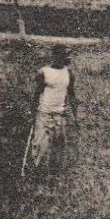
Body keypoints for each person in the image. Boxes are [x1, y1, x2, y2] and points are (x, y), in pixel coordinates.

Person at [24, 44, 75, 173]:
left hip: (59, 114)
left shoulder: (68, 73)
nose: (60, 58)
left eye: (63, 55)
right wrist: (32, 113)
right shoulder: (44, 72)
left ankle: (54, 173)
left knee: (58, 145)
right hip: (44, 114)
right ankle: (35, 171)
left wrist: (75, 114)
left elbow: (72, 94)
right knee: (40, 145)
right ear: (53, 56)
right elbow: (36, 93)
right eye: (58, 55)